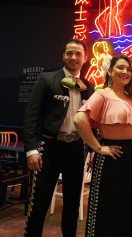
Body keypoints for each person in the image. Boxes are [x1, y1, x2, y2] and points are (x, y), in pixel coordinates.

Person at [23, 39, 94, 237]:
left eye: (78, 54)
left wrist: (94, 149)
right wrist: (31, 150)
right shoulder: (47, 79)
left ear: (85, 58)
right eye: (70, 53)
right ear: (63, 56)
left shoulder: (89, 86)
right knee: (39, 204)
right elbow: (31, 116)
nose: (74, 57)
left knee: (72, 205)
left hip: (76, 150)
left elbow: (93, 122)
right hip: (50, 149)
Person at [73, 54, 132, 237]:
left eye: (129, 69)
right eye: (120, 68)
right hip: (111, 159)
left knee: (128, 207)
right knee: (108, 208)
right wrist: (98, 148)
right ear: (110, 71)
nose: (125, 72)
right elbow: (79, 119)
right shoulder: (102, 95)